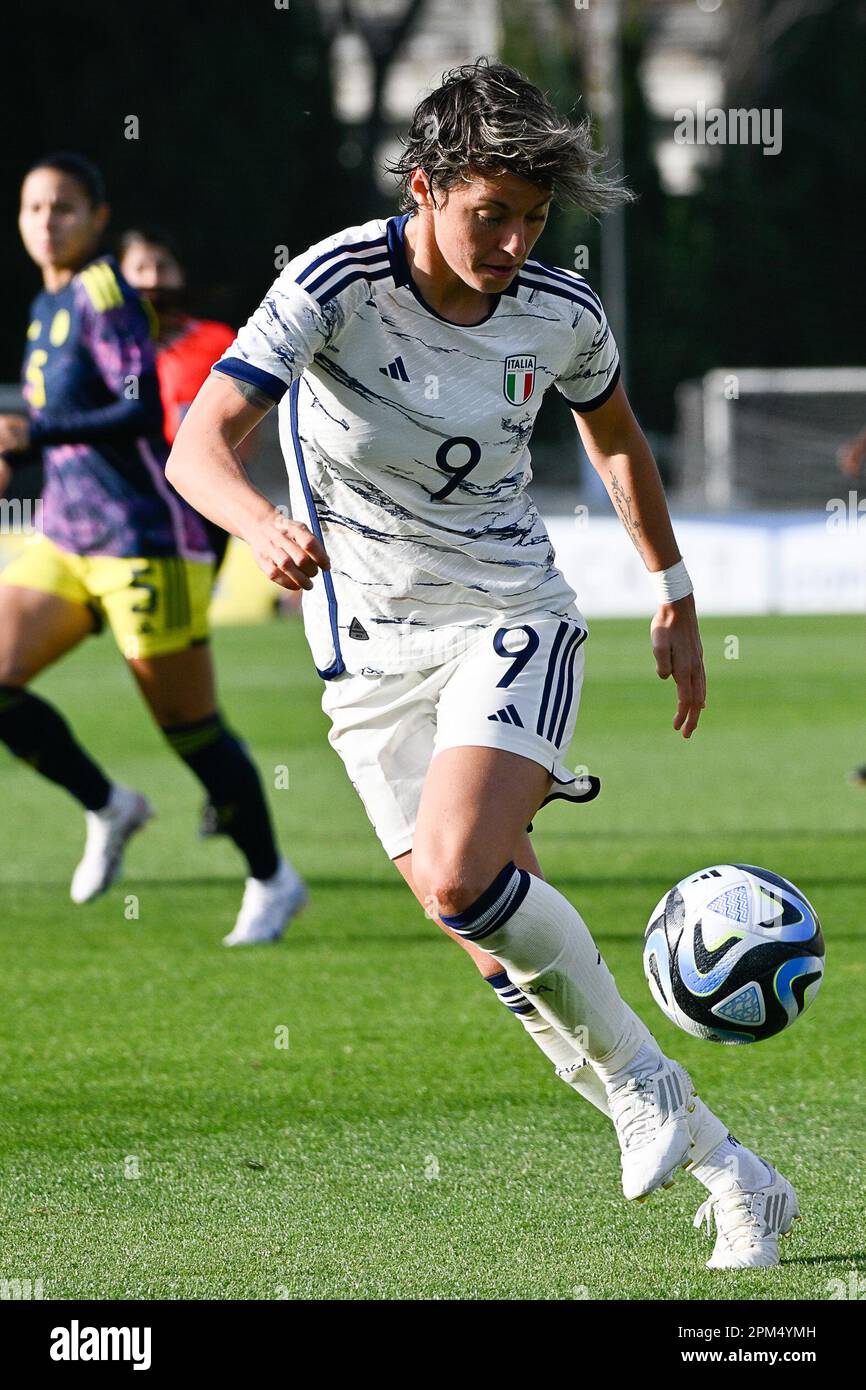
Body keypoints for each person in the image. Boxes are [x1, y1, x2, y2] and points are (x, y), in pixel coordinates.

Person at [166, 61, 799, 1267]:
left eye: (530, 218)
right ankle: (734, 1173)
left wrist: (671, 593)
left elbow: (615, 443)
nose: (510, 240)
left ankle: (654, 1102)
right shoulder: (332, 284)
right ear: (423, 190)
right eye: (487, 215)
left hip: (510, 614)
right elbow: (199, 443)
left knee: (463, 877)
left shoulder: (561, 314)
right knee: (503, 948)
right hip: (366, 660)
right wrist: (256, 525)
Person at [0, 151, 306, 946]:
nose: (46, 221)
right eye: (34, 208)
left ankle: (273, 877)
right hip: (65, 534)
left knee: (188, 726)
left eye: (64, 207)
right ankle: (109, 805)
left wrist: (36, 431)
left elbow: (141, 415)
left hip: (143, 540)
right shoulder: (47, 301)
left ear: (97, 219)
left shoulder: (106, 294)